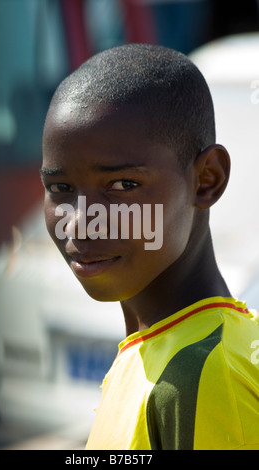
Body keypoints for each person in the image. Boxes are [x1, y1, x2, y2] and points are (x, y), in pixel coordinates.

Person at [40, 44, 259, 450]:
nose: (82, 222)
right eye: (61, 188)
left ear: (206, 179)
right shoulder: (161, 349)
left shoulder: (205, 373)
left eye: (122, 185)